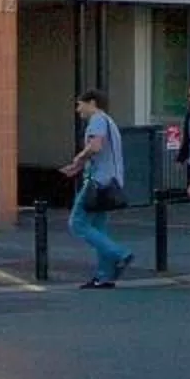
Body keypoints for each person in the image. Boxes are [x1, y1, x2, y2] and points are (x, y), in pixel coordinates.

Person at [60, 89, 131, 289]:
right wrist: (78, 166)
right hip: (112, 181)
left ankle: (120, 253)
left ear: (92, 103)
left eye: (80, 104)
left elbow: (95, 146)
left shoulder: (97, 120)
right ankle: (104, 276)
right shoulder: (109, 121)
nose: (78, 110)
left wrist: (78, 158)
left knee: (77, 223)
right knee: (99, 228)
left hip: (98, 182)